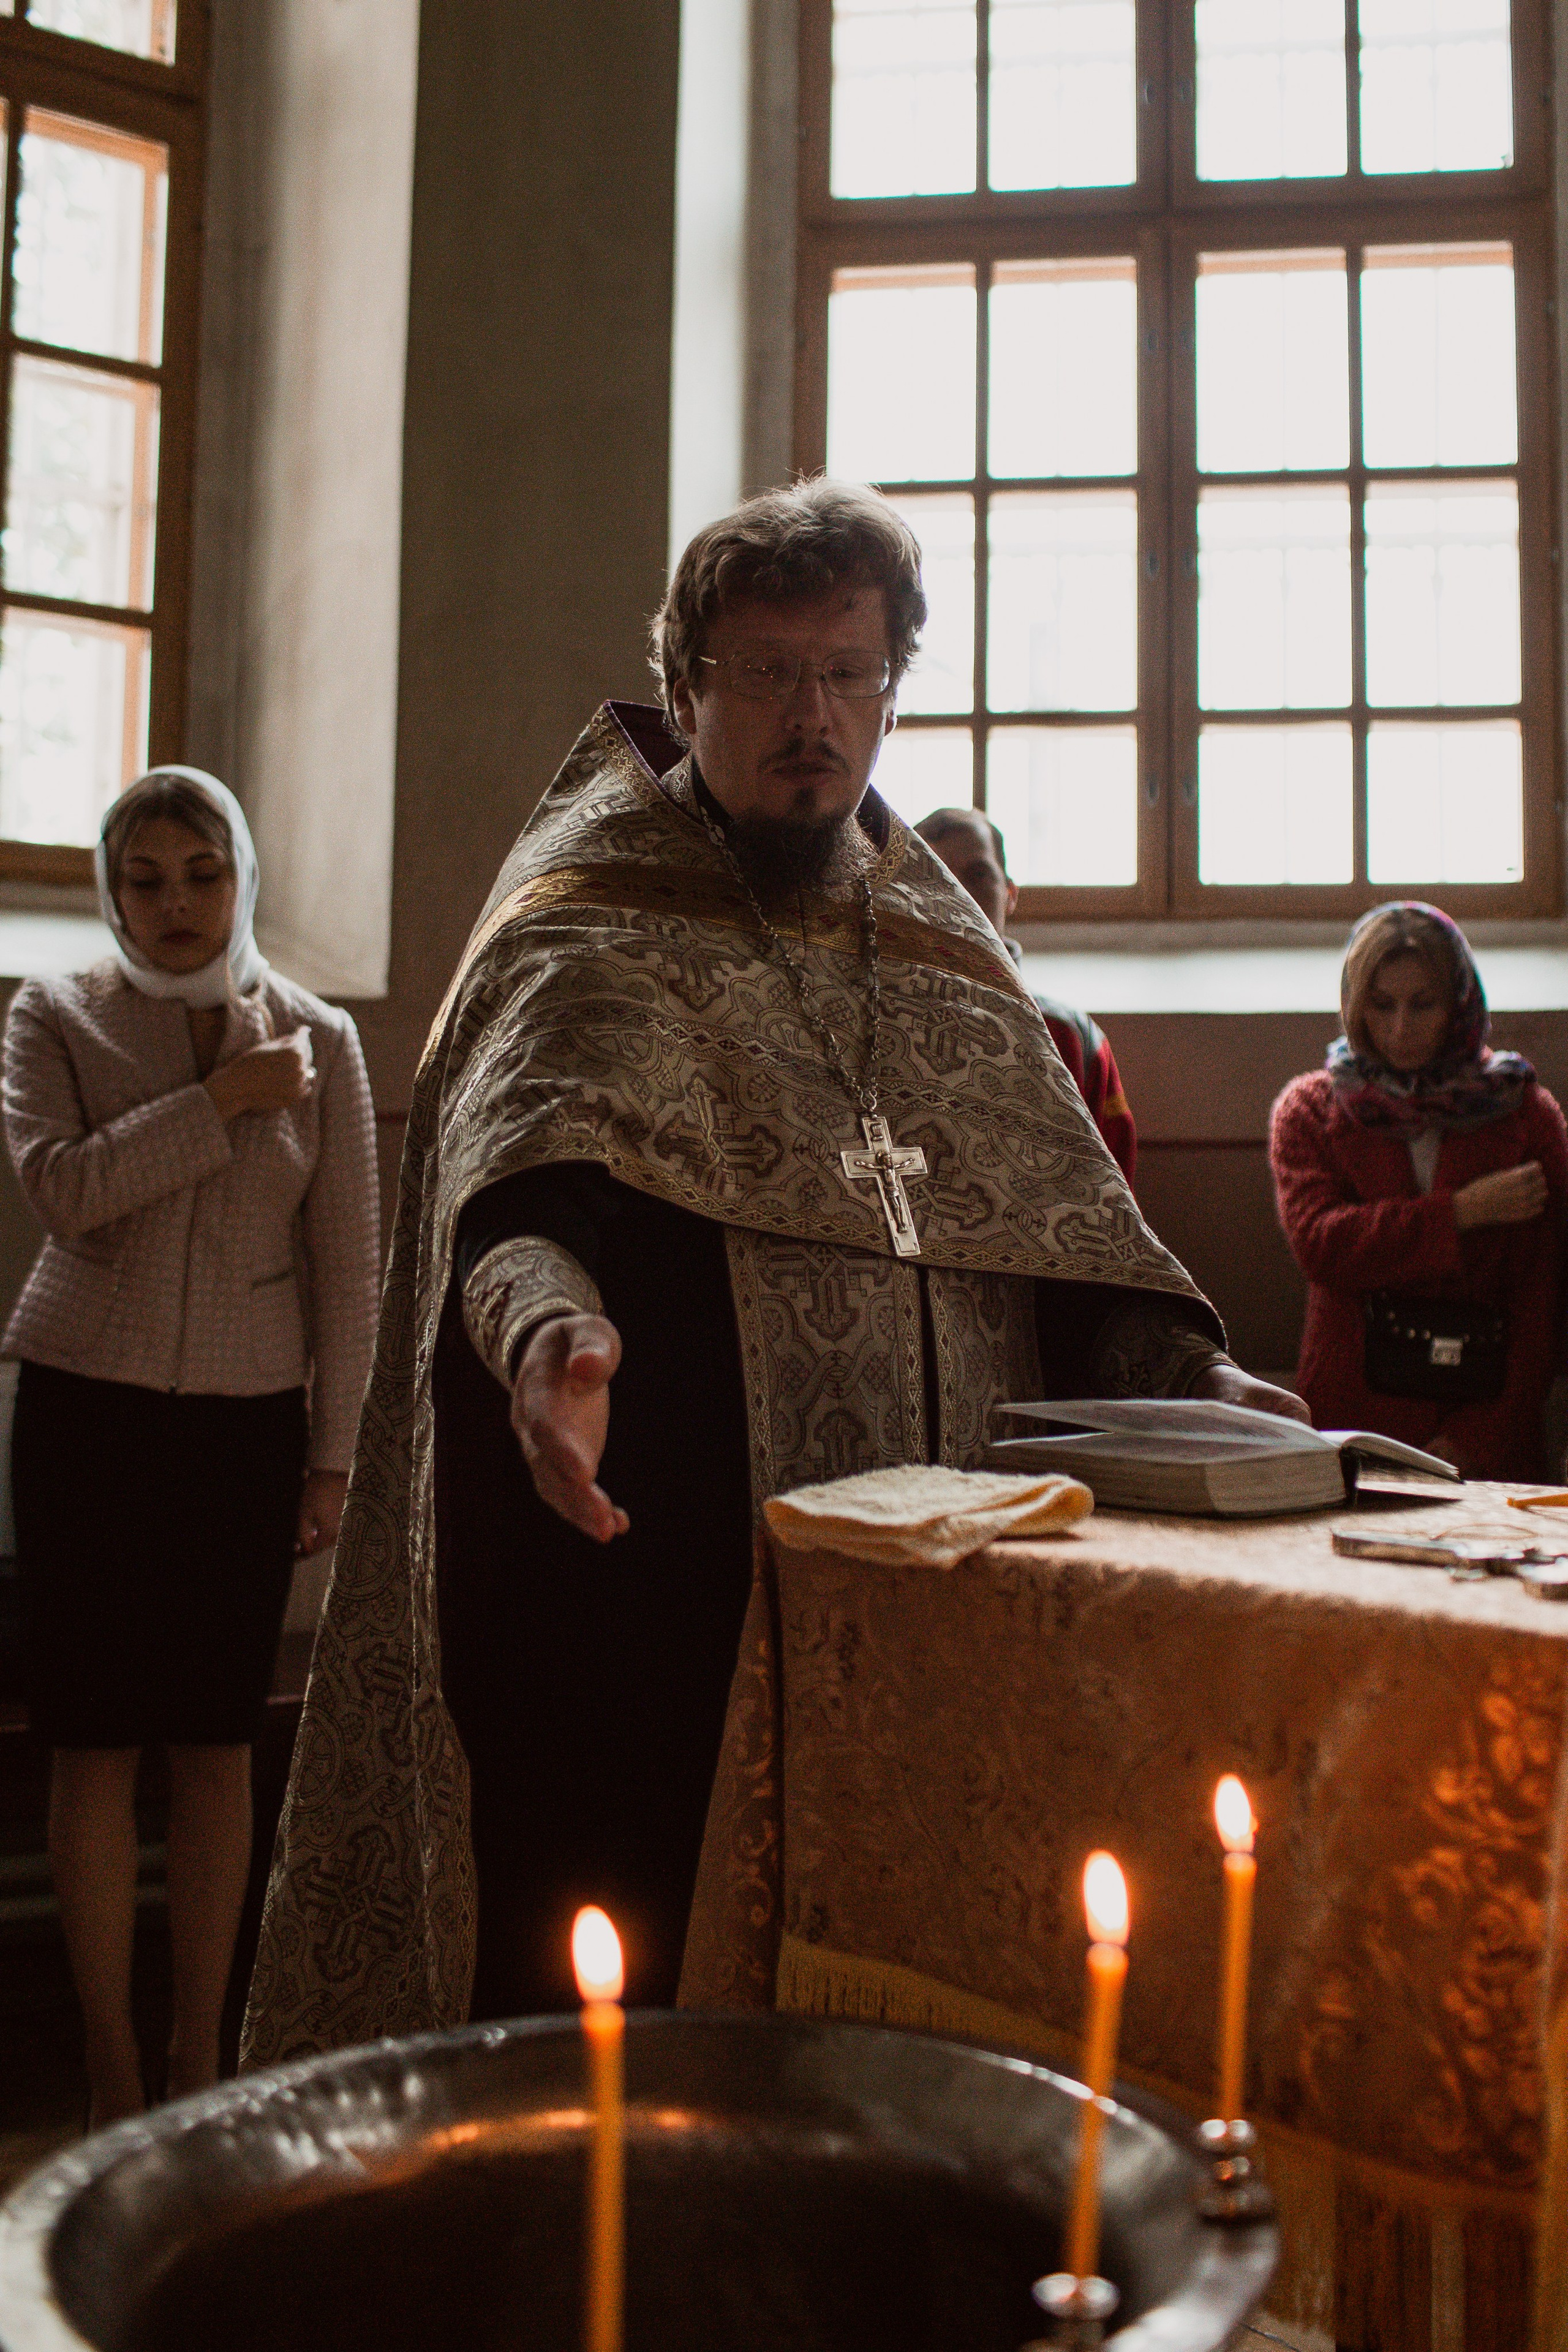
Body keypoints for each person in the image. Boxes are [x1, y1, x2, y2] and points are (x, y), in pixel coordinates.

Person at [244, 480, 1305, 2067]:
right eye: (767, 673)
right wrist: (543, 1338)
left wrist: (1191, 1381)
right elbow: (519, 1194)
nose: (813, 714)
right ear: (687, 690)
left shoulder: (949, 956)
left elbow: (1063, 1233)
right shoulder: (580, 924)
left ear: (891, 691)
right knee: (628, 2017)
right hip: (648, 1608)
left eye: (849, 673)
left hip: (933, 1620)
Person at [2, 768, 380, 2127]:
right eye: (144, 880)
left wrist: (331, 1457)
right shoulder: (54, 1014)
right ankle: (109, 2063)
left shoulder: (322, 1038)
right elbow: (67, 1195)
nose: (172, 906)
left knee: (217, 1750)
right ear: (110, 892)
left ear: (242, 884)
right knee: (95, 1744)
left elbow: (348, 1266)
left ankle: (195, 2058)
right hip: (83, 1411)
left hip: (244, 1427)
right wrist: (219, 1102)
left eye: (199, 877)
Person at [1269, 900, 1567, 1480]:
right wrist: (1458, 1214)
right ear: (1356, 1007)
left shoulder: (1524, 1112)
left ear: (1457, 1003)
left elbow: (1542, 1302)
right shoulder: (1309, 1109)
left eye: (1422, 1004)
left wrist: (1483, 1437)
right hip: (1354, 1417)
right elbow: (1323, 1245)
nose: (1401, 1028)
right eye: (1381, 1005)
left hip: (1486, 1419)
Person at [913, 807, 1137, 1185]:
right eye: (934, 877)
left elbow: (1116, 1192)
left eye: (978, 876)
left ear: (1010, 894)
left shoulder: (1069, 1036)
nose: (957, 895)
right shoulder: (877, 1022)